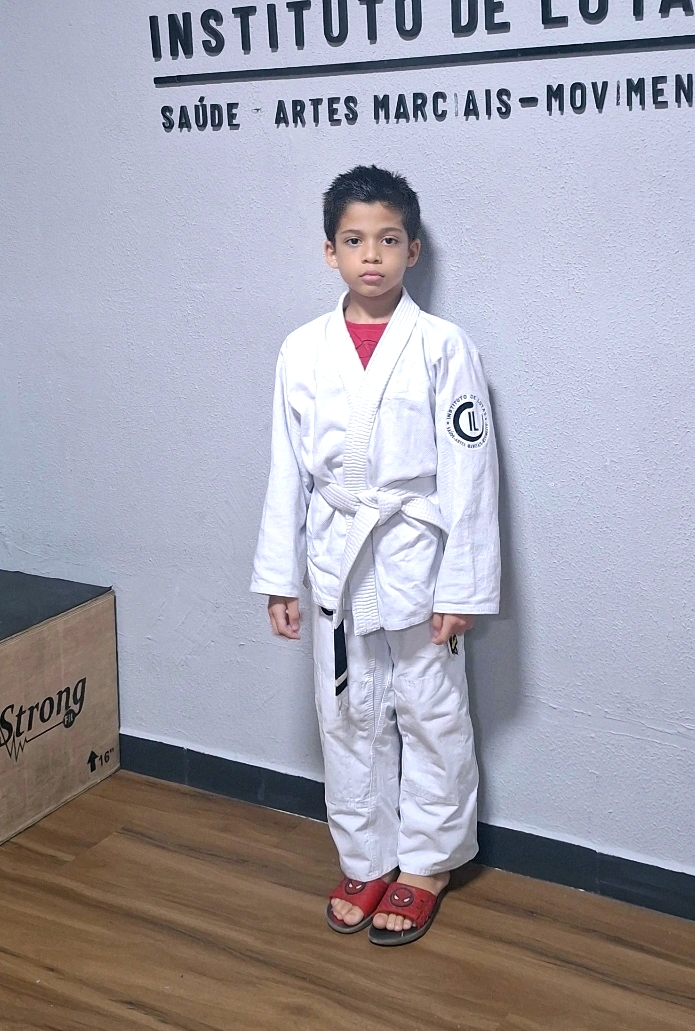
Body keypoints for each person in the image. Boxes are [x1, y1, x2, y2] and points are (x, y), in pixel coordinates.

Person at [251, 165, 500, 946]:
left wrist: (462, 585)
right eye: (354, 240)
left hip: (416, 556)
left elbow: (471, 474)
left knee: (430, 712)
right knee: (346, 712)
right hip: (336, 558)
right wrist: (278, 574)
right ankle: (365, 858)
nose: (371, 255)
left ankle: (425, 863)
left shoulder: (443, 346)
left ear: (412, 251)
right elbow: (286, 468)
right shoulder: (301, 349)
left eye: (388, 240)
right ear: (329, 251)